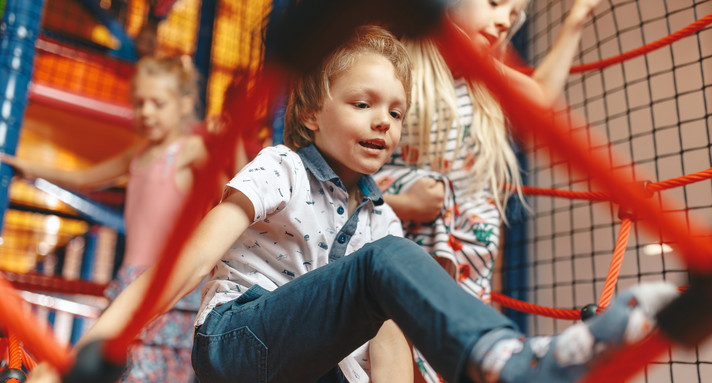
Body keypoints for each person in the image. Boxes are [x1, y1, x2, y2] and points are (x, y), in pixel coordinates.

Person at [27, 25, 677, 383]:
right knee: (386, 266)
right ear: (310, 111)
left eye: (395, 112)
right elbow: (191, 262)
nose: (383, 124)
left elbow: (375, 344)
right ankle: (507, 359)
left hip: (311, 367)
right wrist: (94, 349)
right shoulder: (281, 167)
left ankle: (502, 359)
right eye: (361, 104)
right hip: (236, 344)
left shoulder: (378, 215)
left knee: (389, 296)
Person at [373, 1, 602, 380]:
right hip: (397, 236)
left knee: (457, 353)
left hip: (463, 253)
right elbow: (348, 174)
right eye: (495, 3)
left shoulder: (484, 74)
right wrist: (403, 202)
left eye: (512, 17)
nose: (502, 21)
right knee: (397, 345)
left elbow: (540, 97)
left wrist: (576, 19)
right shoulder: (400, 60)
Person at [4, 56, 209, 382]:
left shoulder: (191, 149)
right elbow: (86, 178)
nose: (146, 112)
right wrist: (26, 167)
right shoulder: (139, 154)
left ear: (185, 105)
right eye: (139, 103)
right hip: (129, 280)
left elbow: (234, 174)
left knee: (154, 370)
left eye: (158, 103)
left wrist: (230, 139)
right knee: (109, 367)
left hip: (167, 284)